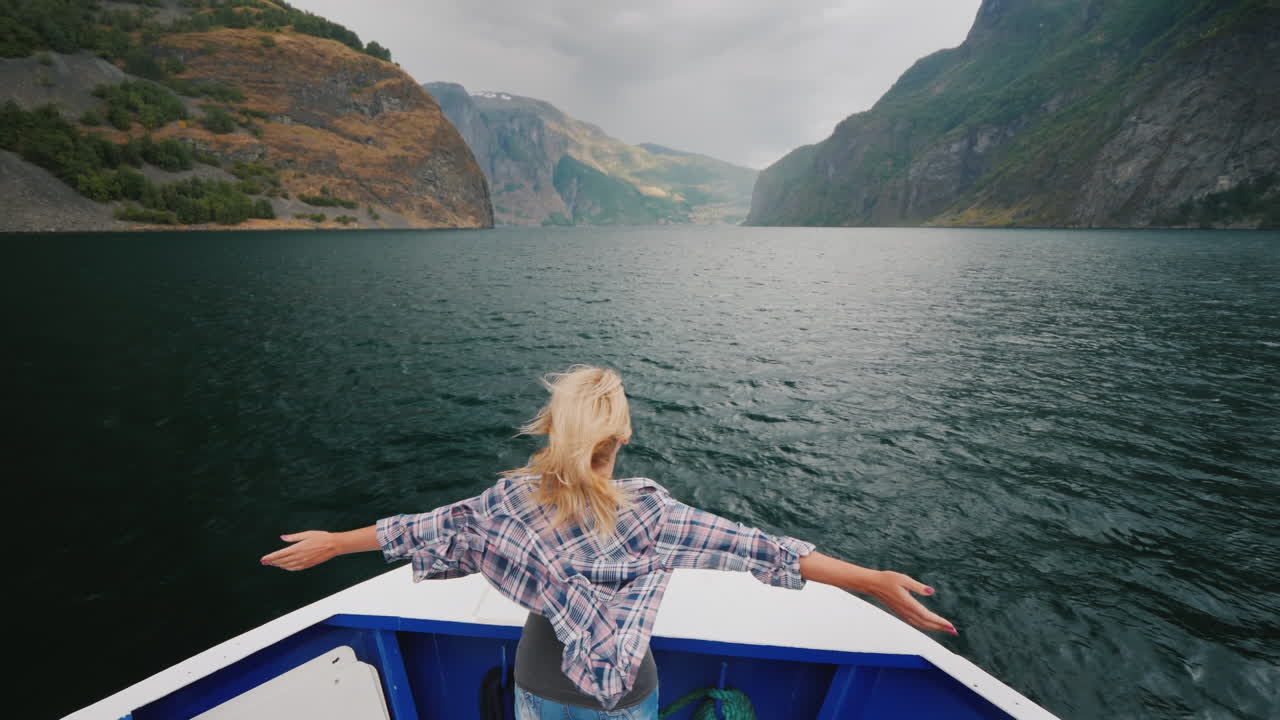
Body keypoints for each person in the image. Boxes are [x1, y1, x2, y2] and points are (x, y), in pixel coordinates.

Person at [261, 365, 955, 719]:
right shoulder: (653, 515)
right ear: (621, 435)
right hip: (622, 693)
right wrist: (871, 579)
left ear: (553, 430)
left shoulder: (510, 500)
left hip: (536, 677)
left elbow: (424, 529)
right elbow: (764, 549)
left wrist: (331, 542)